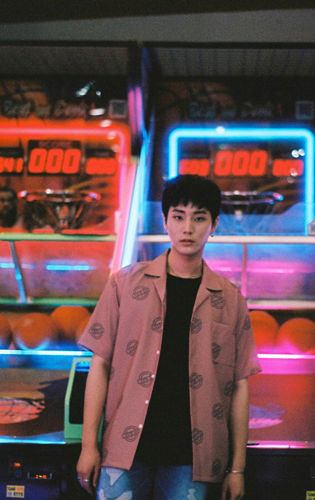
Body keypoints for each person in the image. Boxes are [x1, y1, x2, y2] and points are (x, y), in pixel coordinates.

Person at [76, 174, 262, 500]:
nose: (187, 228)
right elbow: (99, 365)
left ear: (214, 224)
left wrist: (237, 469)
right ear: (165, 222)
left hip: (192, 458)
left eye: (199, 218)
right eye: (178, 217)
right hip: (124, 449)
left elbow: (239, 386)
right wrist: (89, 446)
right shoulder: (124, 284)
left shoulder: (230, 298)